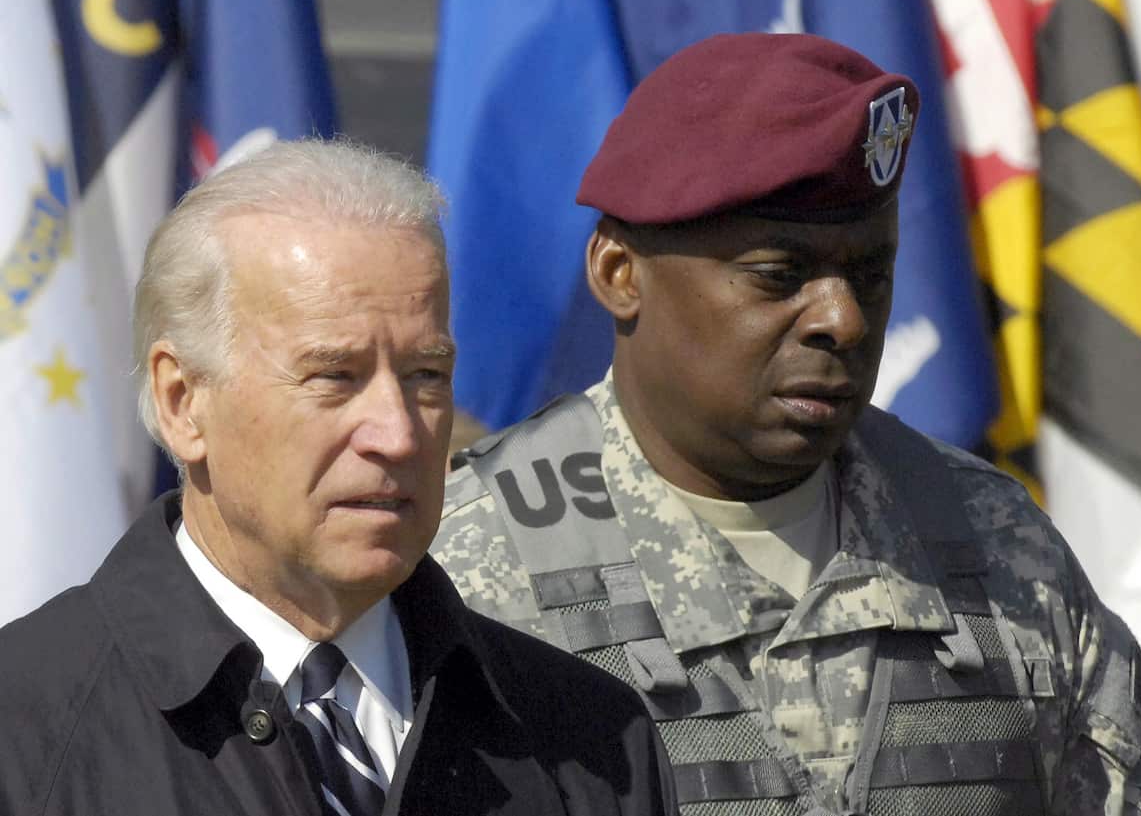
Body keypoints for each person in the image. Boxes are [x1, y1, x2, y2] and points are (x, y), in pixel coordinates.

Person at [433, 33, 1141, 816]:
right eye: (780, 275)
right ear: (620, 274)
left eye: (871, 274)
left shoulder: (997, 547)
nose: (843, 319)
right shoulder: (464, 570)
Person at [0, 140, 676, 816]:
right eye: (334, 377)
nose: (400, 433)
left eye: (426, 376)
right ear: (184, 402)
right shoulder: (27, 731)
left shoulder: (591, 738)